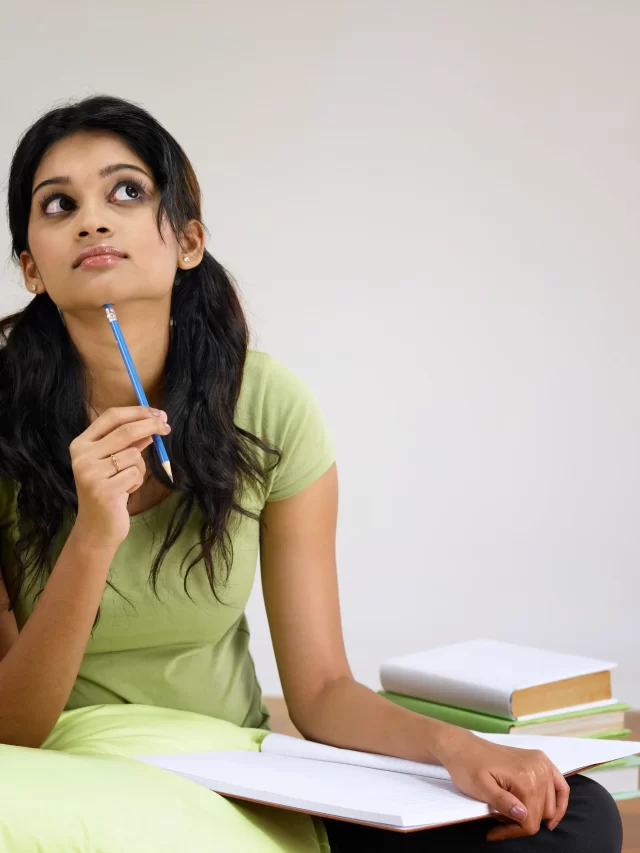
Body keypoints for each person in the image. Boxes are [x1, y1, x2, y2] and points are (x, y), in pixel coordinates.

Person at [0, 95, 622, 852]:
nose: (93, 219)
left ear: (188, 241)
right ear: (32, 266)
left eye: (127, 191)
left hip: (243, 771)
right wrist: (94, 536)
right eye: (58, 204)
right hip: (70, 773)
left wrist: (455, 747)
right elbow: (12, 727)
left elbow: (322, 690)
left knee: (571, 812)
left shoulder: (267, 405)